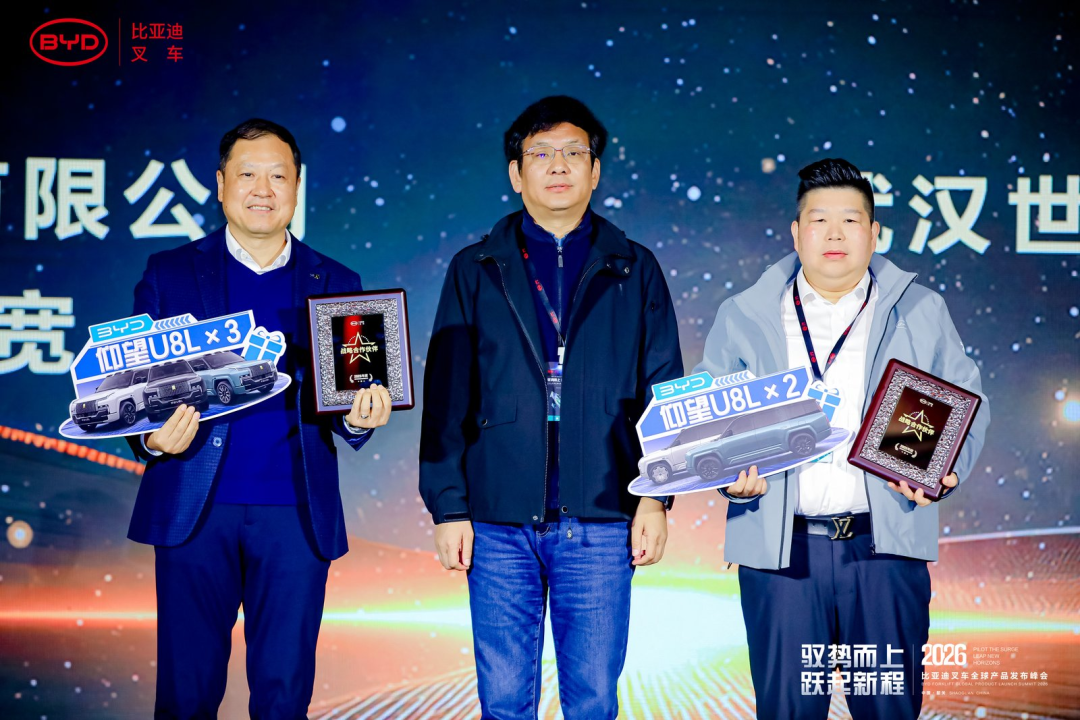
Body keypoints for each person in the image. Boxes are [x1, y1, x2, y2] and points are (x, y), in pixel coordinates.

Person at [696, 158, 990, 720]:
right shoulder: (745, 314)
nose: (835, 234)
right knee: (787, 710)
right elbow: (710, 414)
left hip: (885, 549)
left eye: (851, 221)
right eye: (819, 220)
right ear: (795, 232)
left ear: (874, 233)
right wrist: (728, 477)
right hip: (781, 552)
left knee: (887, 709)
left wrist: (946, 469)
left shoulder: (921, 309)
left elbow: (967, 403)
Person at [419, 96, 682, 719]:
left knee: (592, 701)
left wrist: (656, 498)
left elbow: (663, 389)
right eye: (540, 153)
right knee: (505, 702)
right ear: (516, 173)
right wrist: (449, 508)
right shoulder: (475, 268)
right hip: (497, 521)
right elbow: (447, 396)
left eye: (573, 152)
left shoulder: (634, 268)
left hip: (603, 516)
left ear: (595, 170)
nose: (558, 165)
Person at [126, 118, 392, 719]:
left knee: (283, 696)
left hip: (295, 515)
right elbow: (136, 388)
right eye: (247, 175)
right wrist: (153, 439)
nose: (263, 190)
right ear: (221, 185)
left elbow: (348, 399)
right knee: (186, 695)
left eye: (278, 176)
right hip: (196, 510)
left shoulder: (338, 281)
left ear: (297, 187)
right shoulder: (169, 273)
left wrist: (360, 418)